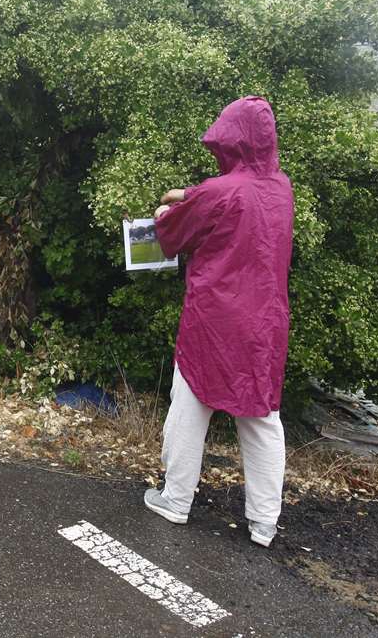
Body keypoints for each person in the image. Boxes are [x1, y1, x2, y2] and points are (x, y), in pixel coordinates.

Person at [141, 96, 294, 548]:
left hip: (214, 319)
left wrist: (164, 214)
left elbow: (173, 236)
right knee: (262, 416)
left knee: (190, 406)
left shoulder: (220, 191)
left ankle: (176, 500)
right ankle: (264, 524)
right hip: (264, 322)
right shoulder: (280, 187)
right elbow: (233, 198)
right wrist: (189, 195)